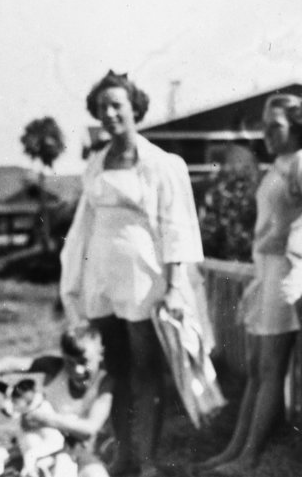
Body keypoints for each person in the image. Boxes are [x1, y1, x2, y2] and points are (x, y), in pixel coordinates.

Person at [199, 93, 302, 474]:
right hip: (265, 271)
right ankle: (234, 451)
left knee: (270, 369)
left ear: (297, 127)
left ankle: (248, 459)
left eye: (276, 125)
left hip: (289, 271)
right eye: (264, 124)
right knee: (257, 368)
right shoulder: (280, 164)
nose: (266, 132)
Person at [59, 70, 204, 477]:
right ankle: (123, 452)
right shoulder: (95, 165)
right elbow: (84, 226)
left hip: (143, 277)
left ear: (134, 108)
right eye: (102, 107)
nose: (108, 114)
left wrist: (175, 285)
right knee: (113, 371)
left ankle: (147, 459)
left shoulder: (161, 163)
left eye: (116, 105)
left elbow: (177, 226)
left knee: (145, 370)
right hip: (102, 279)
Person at [0, 327, 113, 477]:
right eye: (69, 362)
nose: (77, 370)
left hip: (75, 450)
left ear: (100, 354)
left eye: (83, 361)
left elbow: (90, 429)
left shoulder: (104, 382)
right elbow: (10, 363)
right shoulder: (55, 366)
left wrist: (45, 419)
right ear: (62, 355)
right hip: (38, 445)